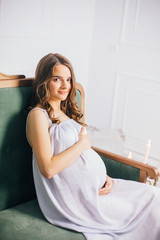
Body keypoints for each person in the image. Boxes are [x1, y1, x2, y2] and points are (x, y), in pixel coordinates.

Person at [26, 53, 160, 240]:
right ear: (44, 81)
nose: (65, 86)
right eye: (57, 79)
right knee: (151, 203)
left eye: (69, 79)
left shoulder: (64, 112)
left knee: (154, 195)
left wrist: (103, 177)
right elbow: (47, 169)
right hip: (78, 201)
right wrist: (82, 145)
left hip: (99, 188)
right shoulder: (38, 115)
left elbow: (78, 157)